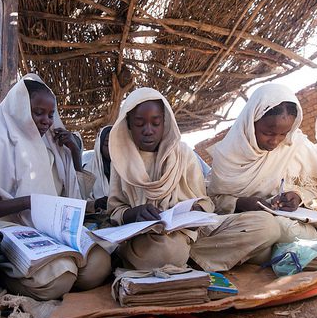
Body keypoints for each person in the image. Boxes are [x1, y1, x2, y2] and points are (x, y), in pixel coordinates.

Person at [0, 74, 110, 300]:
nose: (47, 121)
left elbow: (71, 197)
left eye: (51, 114)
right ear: (18, 109)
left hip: (53, 228)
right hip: (12, 226)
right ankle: (3, 274)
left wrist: (73, 154)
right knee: (58, 279)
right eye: (37, 112)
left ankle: (54, 271)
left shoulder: (53, 145)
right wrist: (29, 203)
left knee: (98, 266)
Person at [108, 87, 282, 271]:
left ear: (165, 123)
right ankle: (191, 258)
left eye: (156, 123)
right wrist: (134, 213)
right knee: (163, 251)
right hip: (152, 238)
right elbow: (115, 212)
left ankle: (185, 259)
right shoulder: (121, 161)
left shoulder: (183, 154)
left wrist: (194, 208)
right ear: (128, 125)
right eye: (139, 124)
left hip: (193, 234)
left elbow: (206, 203)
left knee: (267, 225)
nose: (148, 130)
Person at [208, 84, 317, 243]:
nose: (275, 141)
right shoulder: (228, 154)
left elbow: (314, 188)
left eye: (283, 133)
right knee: (270, 231)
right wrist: (240, 203)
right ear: (251, 123)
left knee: (295, 233)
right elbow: (213, 199)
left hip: (291, 223)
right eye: (267, 133)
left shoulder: (296, 146)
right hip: (248, 224)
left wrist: (297, 196)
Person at [83, 126, 112, 211]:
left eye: (115, 144)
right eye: (107, 144)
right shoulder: (88, 170)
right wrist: (96, 204)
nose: (111, 148)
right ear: (100, 145)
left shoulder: (127, 169)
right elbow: (79, 200)